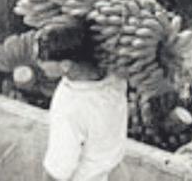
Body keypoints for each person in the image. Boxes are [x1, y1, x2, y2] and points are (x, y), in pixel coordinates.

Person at [36, 23, 128, 181]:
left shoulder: (69, 105)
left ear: (66, 65)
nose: (38, 62)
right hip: (115, 172)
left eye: (42, 58)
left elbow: (59, 168)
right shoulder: (116, 80)